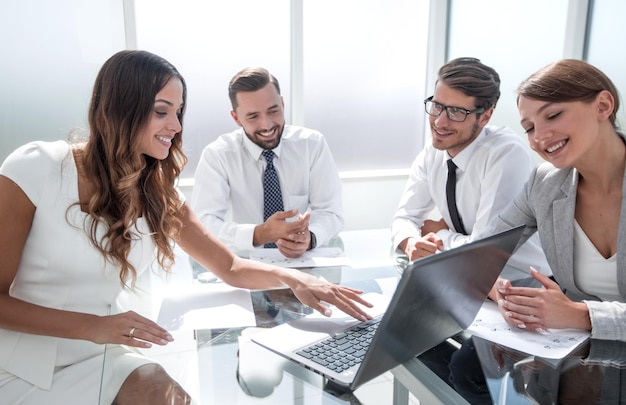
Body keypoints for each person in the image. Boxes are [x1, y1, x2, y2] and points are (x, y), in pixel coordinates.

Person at [0, 50, 372, 404]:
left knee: (172, 397)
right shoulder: (37, 168)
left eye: (178, 112)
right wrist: (95, 326)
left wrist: (295, 279)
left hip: (104, 355)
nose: (176, 127)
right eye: (162, 111)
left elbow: (230, 267)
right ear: (121, 109)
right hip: (20, 361)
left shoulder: (159, 192)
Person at [485, 59, 626, 341]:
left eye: (553, 115)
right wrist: (499, 291)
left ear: (603, 106)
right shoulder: (545, 183)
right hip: (582, 361)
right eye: (528, 127)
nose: (540, 137)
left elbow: (576, 312)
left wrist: (580, 315)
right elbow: (478, 255)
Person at [391, 57, 550, 275]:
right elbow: (405, 216)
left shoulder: (506, 153)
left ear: (485, 116)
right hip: (462, 273)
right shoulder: (433, 152)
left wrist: (440, 235)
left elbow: (483, 250)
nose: (439, 122)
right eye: (437, 106)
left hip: (519, 280)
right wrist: (410, 242)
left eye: (456, 112)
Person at [191, 67, 343, 259]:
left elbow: (331, 212)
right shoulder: (218, 155)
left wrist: (310, 238)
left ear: (283, 104)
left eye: (273, 111)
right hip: (243, 265)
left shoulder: (311, 145)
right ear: (236, 118)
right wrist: (258, 234)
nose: (267, 125)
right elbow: (203, 224)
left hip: (300, 263)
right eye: (253, 116)